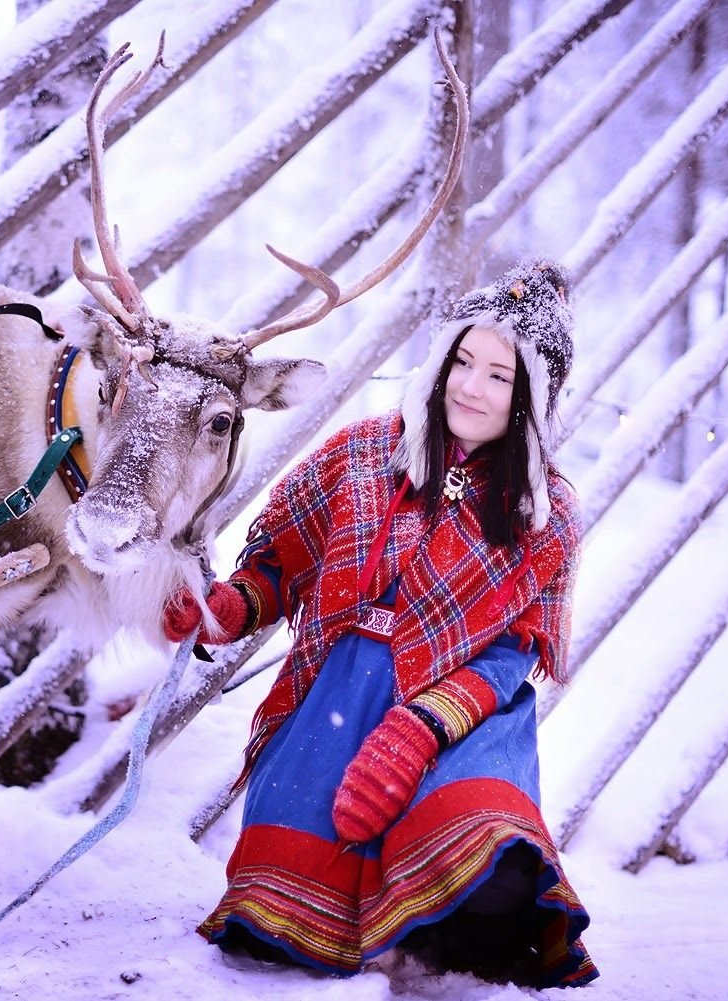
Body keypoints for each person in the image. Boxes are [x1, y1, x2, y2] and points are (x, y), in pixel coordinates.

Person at [163, 260, 598, 988]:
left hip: (465, 710)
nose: (470, 386)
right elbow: (279, 563)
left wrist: (419, 728)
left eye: (500, 375)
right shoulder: (364, 451)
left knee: (493, 871)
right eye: (463, 360)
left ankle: (442, 927)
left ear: (530, 396)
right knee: (277, 923)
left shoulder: (543, 509)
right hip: (342, 689)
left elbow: (512, 654)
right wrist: (228, 607)